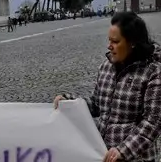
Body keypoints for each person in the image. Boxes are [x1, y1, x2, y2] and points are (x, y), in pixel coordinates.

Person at [53, 12, 160, 162]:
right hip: (104, 154)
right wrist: (68, 101)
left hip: (137, 158)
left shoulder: (153, 72)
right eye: (109, 40)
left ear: (132, 43)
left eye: (115, 41)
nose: (109, 46)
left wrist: (123, 150)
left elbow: (153, 121)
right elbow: (97, 104)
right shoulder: (106, 66)